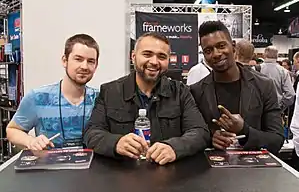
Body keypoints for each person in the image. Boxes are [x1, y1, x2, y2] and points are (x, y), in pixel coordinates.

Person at [84, 32, 210, 165]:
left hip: (169, 179)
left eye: (161, 56)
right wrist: (116, 143)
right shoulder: (110, 92)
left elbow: (200, 132)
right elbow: (92, 133)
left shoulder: (180, 92)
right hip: (122, 177)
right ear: (133, 56)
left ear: (168, 60)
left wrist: (175, 147)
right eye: (147, 54)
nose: (154, 62)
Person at [190, 21, 284, 154]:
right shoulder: (196, 91)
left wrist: (244, 130)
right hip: (212, 170)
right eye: (208, 50)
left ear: (233, 46)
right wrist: (210, 139)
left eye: (221, 46)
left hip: (253, 171)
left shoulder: (264, 86)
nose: (216, 54)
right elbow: (190, 134)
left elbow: (276, 140)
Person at [6, 34, 99, 150]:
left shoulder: (100, 98)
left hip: (91, 166)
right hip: (50, 166)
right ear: (65, 61)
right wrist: (31, 141)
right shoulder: (37, 97)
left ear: (96, 66)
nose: (84, 66)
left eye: (90, 61)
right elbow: (12, 130)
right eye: (78, 59)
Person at [260, 46, 295, 112]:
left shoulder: (255, 69)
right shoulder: (283, 71)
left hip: (258, 110)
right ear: (277, 56)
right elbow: (290, 94)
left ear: (264, 55)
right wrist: (281, 106)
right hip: (275, 110)